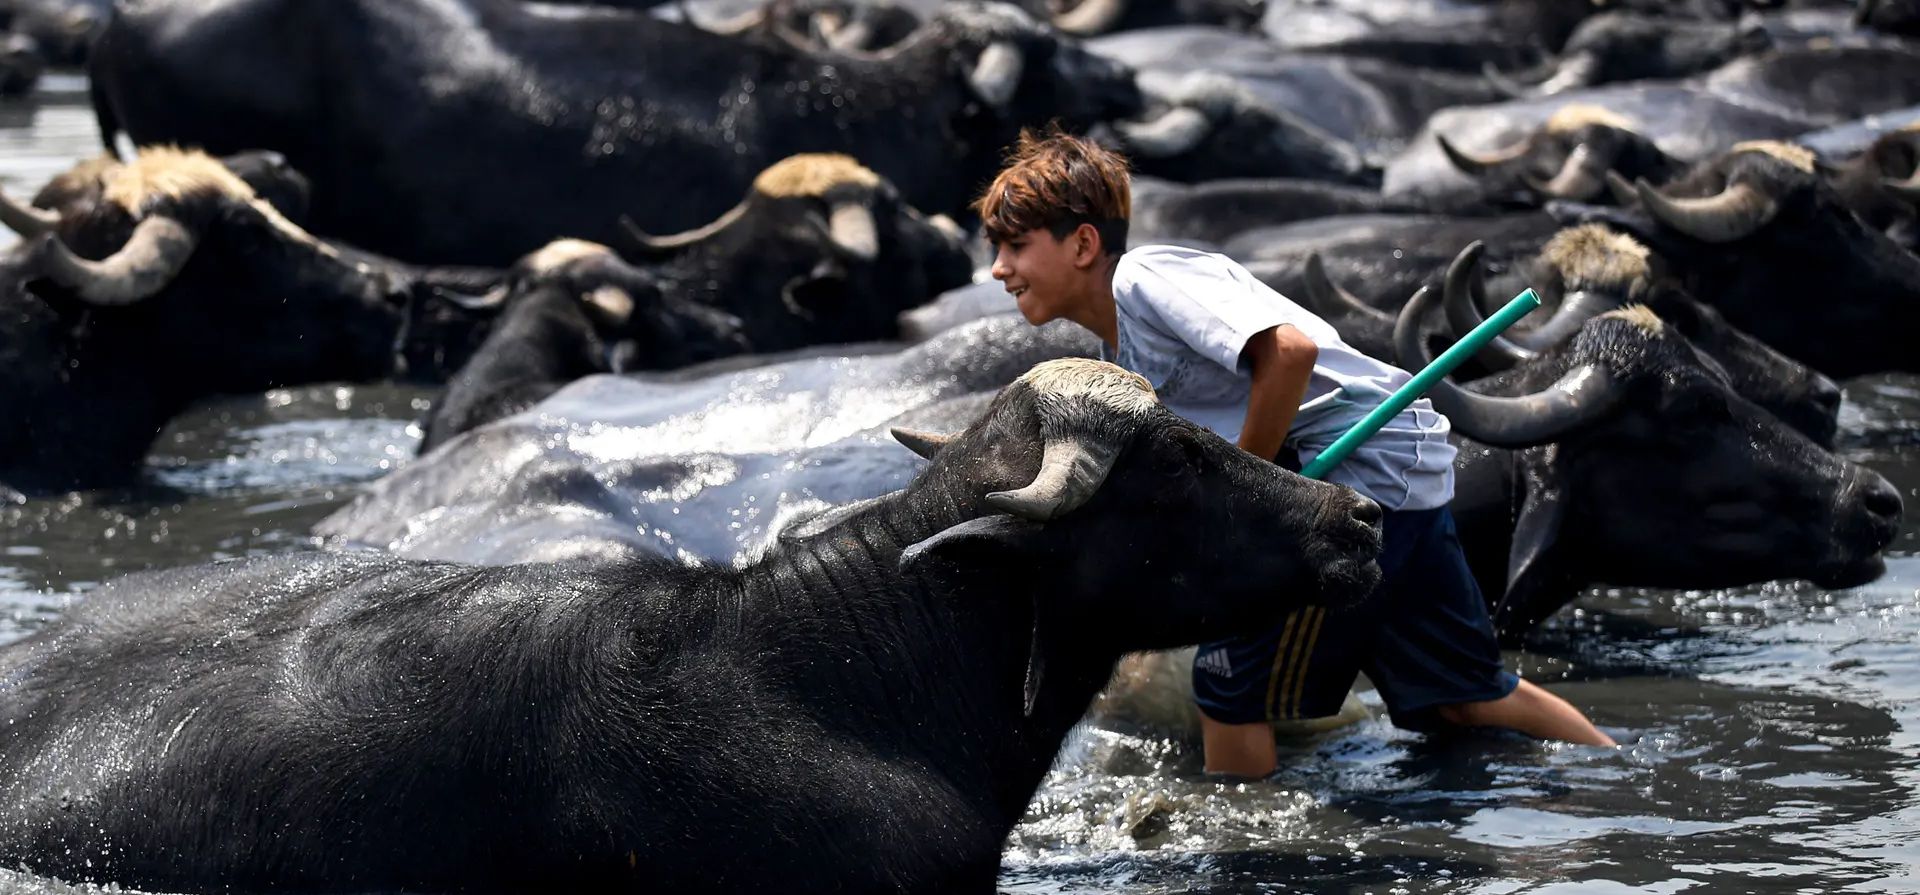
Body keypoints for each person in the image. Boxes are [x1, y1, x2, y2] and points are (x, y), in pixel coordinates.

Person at [973, 130, 1615, 777]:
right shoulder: (1120, 347)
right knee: (1468, 694)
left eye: (1016, 246)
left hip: (1356, 477)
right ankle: (1615, 774)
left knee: (1227, 687)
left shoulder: (1145, 277)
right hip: (1402, 469)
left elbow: (1288, 352)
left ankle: (1245, 856)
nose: (999, 268)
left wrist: (1238, 502)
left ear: (1083, 243)